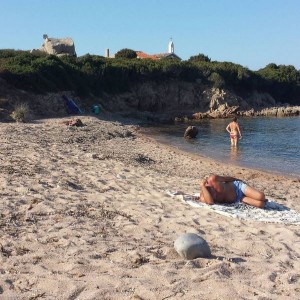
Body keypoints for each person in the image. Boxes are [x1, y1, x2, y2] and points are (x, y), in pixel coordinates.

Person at [199, 174, 266, 208]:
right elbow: (210, 203)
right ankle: (248, 197)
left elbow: (227, 179)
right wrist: (202, 185)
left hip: (238, 187)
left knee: (261, 196)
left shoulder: (213, 179)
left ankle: (252, 195)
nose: (207, 185)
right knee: (261, 204)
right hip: (238, 199)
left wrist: (238, 180)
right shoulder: (204, 196)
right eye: (205, 187)